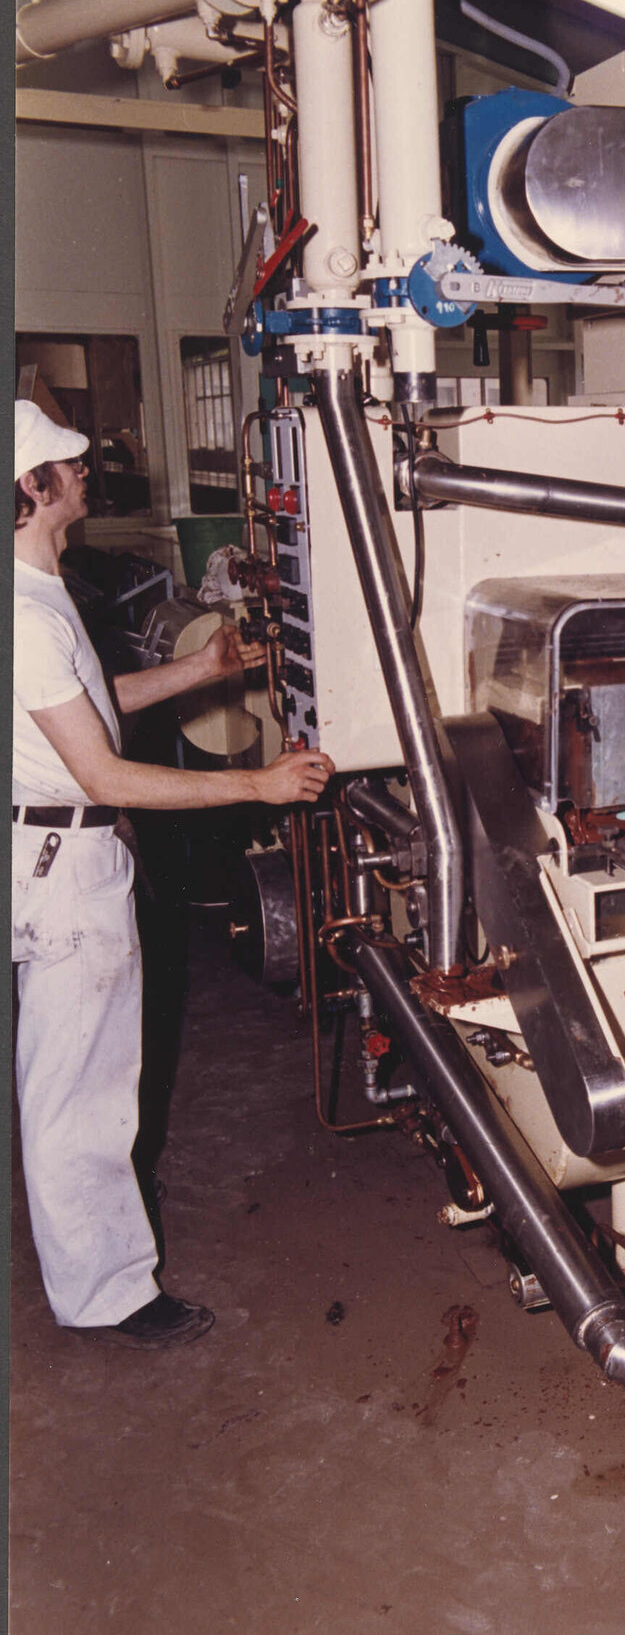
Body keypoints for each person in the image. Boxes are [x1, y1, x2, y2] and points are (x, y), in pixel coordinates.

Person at [12, 398, 336, 1349]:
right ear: (32, 488)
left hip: (68, 852)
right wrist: (260, 783)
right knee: (78, 1092)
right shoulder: (25, 615)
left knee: (87, 1079)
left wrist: (200, 674)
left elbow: (85, 705)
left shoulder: (36, 595)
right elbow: (102, 769)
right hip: (66, 864)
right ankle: (106, 1292)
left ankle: (98, 1273)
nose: (84, 475)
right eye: (67, 466)